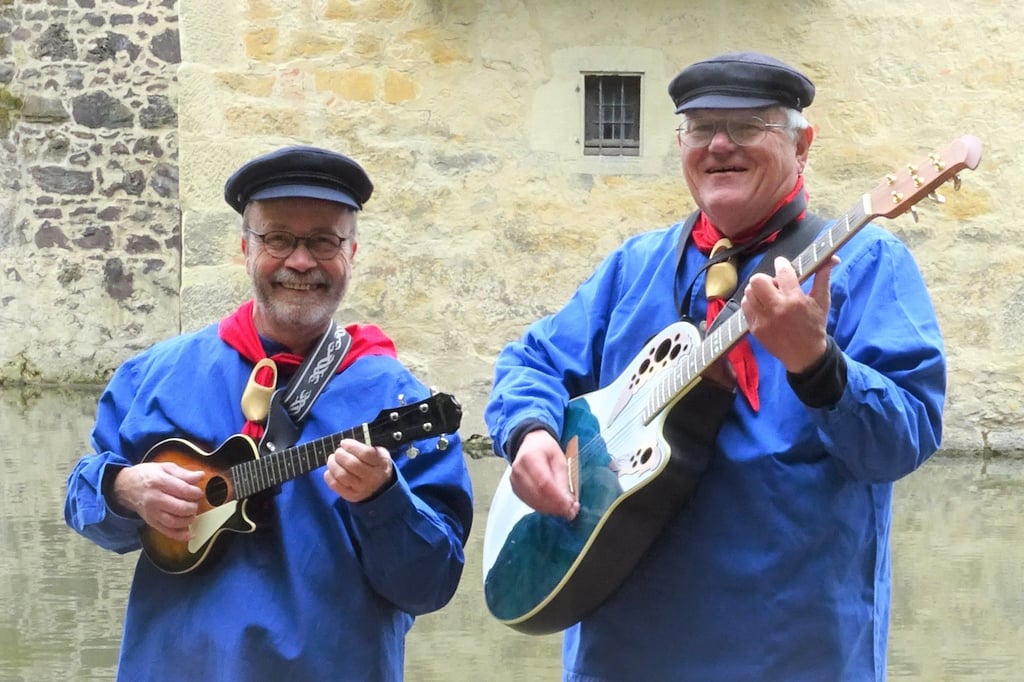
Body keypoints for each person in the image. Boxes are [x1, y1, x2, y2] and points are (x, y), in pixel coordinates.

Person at [484, 51, 945, 680]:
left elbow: (904, 440)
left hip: (789, 650)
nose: (719, 145)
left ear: (802, 144)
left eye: (748, 125)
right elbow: (531, 361)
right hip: (621, 653)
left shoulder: (865, 265)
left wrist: (817, 365)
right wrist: (530, 431)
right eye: (700, 128)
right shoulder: (634, 268)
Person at [64, 145, 473, 681]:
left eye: (323, 241)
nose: (300, 261)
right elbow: (82, 501)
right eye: (277, 238)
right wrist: (124, 489)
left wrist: (383, 501)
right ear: (244, 248)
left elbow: (430, 585)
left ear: (351, 252)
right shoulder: (156, 376)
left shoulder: (396, 400)